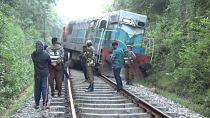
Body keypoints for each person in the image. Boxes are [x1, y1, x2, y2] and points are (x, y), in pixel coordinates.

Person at [31, 41, 51, 109]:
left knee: (37, 89)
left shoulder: (33, 55)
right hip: (45, 74)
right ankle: (45, 104)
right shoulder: (46, 55)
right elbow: (49, 63)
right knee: (44, 88)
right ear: (42, 47)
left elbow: (33, 60)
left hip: (37, 74)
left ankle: (37, 104)